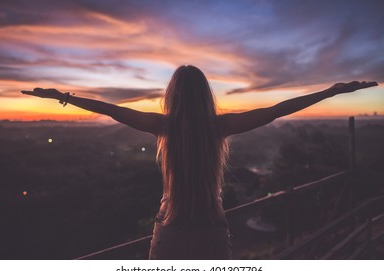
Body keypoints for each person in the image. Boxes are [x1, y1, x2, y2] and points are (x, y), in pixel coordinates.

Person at [21, 65, 378, 259]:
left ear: (172, 96)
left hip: (170, 233)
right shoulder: (220, 126)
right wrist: (331, 91)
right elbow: (276, 110)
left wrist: (63, 97)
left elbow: (111, 110)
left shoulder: (163, 126)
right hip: (211, 232)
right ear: (205, 95)